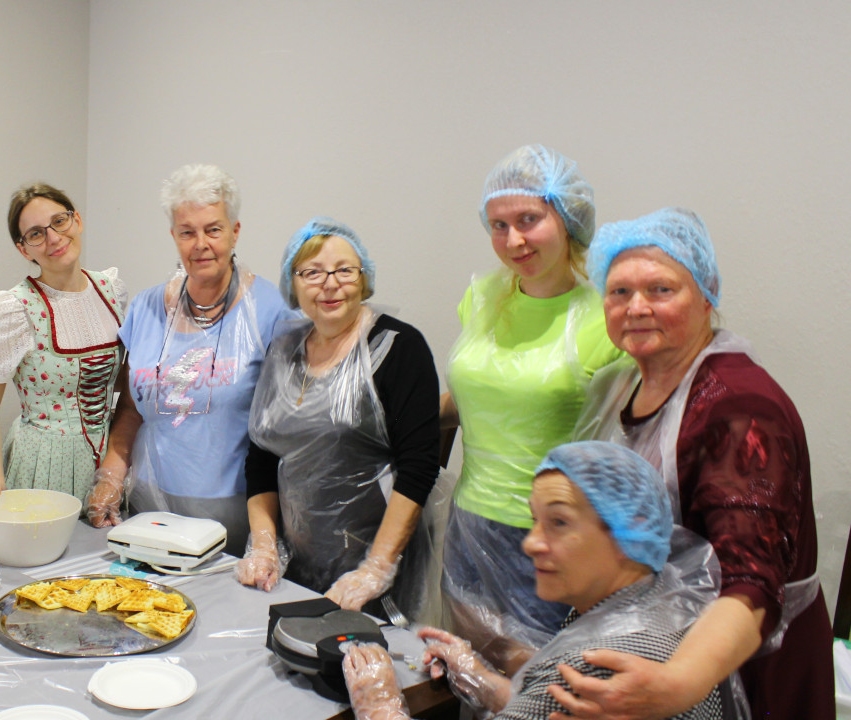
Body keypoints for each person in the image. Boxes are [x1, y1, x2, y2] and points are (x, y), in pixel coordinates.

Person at [564, 207, 833, 720]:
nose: (636, 307)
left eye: (661, 290)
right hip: (655, 639)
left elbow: (751, 581)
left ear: (707, 297)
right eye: (619, 292)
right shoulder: (619, 383)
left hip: (743, 664)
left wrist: (677, 683)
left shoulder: (739, 408)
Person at [342, 441, 730, 720]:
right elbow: (550, 702)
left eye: (559, 522)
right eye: (535, 521)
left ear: (629, 533)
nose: (531, 543)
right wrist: (483, 681)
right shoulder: (660, 605)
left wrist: (380, 705)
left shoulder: (598, 661)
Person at [439, 145, 625, 666]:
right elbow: (477, 395)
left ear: (567, 220)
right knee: (465, 673)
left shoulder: (603, 318)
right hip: (469, 524)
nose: (513, 240)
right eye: (498, 225)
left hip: (548, 540)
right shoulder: (480, 300)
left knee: (535, 686)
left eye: (528, 219)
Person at [236, 217, 440, 615]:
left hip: (378, 578)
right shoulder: (284, 350)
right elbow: (262, 455)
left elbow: (419, 468)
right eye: (311, 272)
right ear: (292, 285)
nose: (329, 284)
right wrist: (264, 544)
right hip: (293, 570)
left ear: (364, 278)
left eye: (344, 270)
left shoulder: (398, 347)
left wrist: (376, 569)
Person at [86, 164, 291, 554]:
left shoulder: (269, 311)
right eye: (187, 232)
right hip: (149, 508)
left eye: (213, 229)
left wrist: (265, 541)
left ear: (235, 231)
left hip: (236, 512)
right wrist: (110, 480)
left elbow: (283, 427)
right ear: (173, 236)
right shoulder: (146, 308)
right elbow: (130, 408)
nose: (201, 243)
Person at [0, 183, 127, 508]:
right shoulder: (14, 310)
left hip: (109, 461)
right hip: (44, 462)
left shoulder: (111, 290)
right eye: (36, 234)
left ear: (77, 221)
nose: (54, 238)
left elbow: (123, 380)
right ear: (24, 249)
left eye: (59, 221)